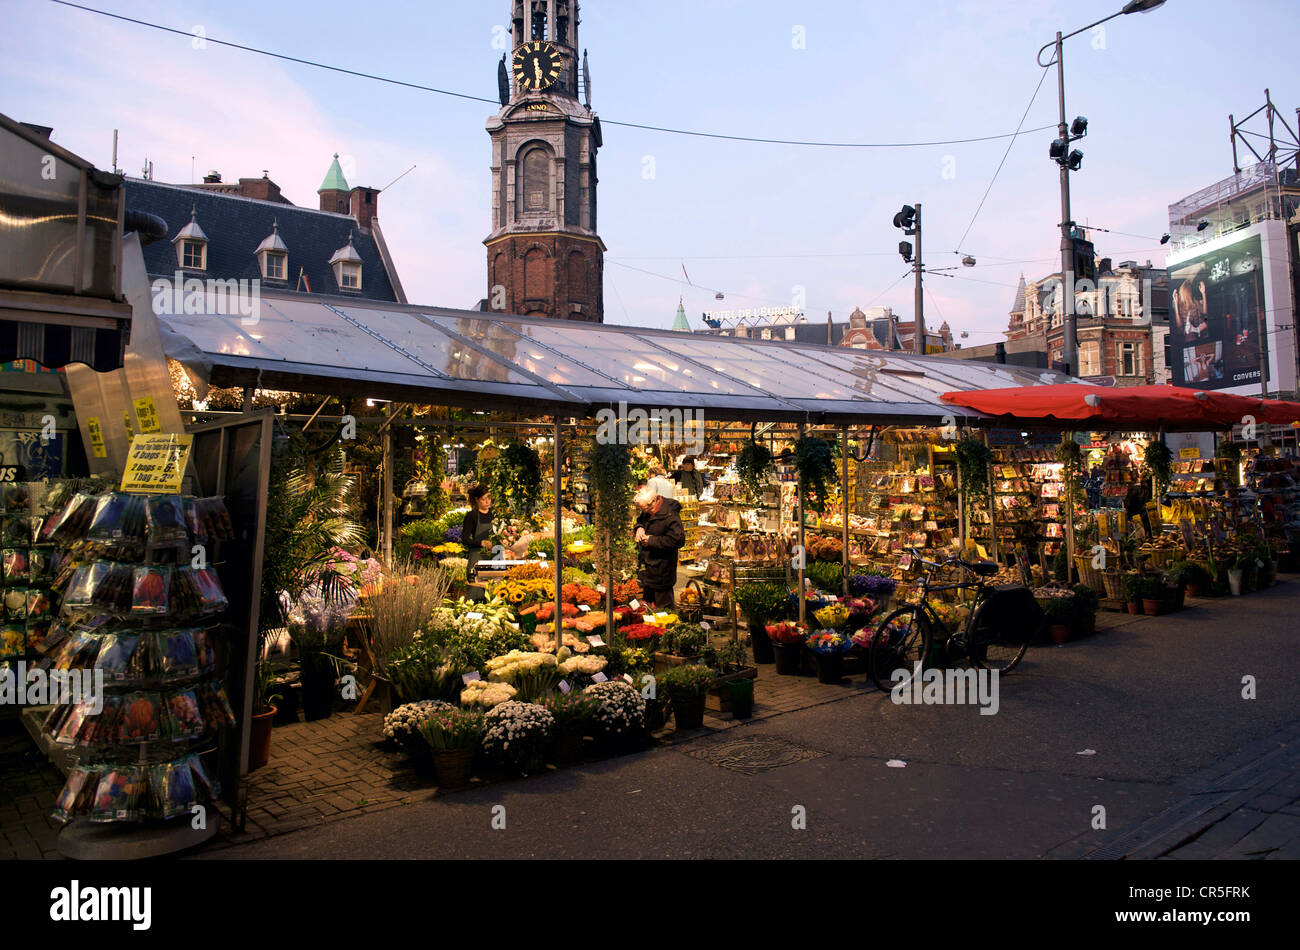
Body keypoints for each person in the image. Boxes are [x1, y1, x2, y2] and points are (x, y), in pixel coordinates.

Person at [633, 482, 685, 609]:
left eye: (646, 508)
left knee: (664, 608)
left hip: (663, 568)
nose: (645, 511)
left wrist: (652, 541)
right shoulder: (649, 510)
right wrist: (639, 528)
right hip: (649, 566)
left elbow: (678, 540)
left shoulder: (670, 514)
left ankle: (668, 627)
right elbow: (640, 520)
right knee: (649, 605)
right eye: (642, 509)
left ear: (655, 501)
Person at [461, 485, 495, 580]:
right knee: (476, 590)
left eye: (489, 498)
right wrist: (481, 543)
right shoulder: (472, 516)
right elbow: (465, 539)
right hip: (477, 559)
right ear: (476, 499)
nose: (487, 502)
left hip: (493, 558)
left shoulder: (494, 515)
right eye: (483, 499)